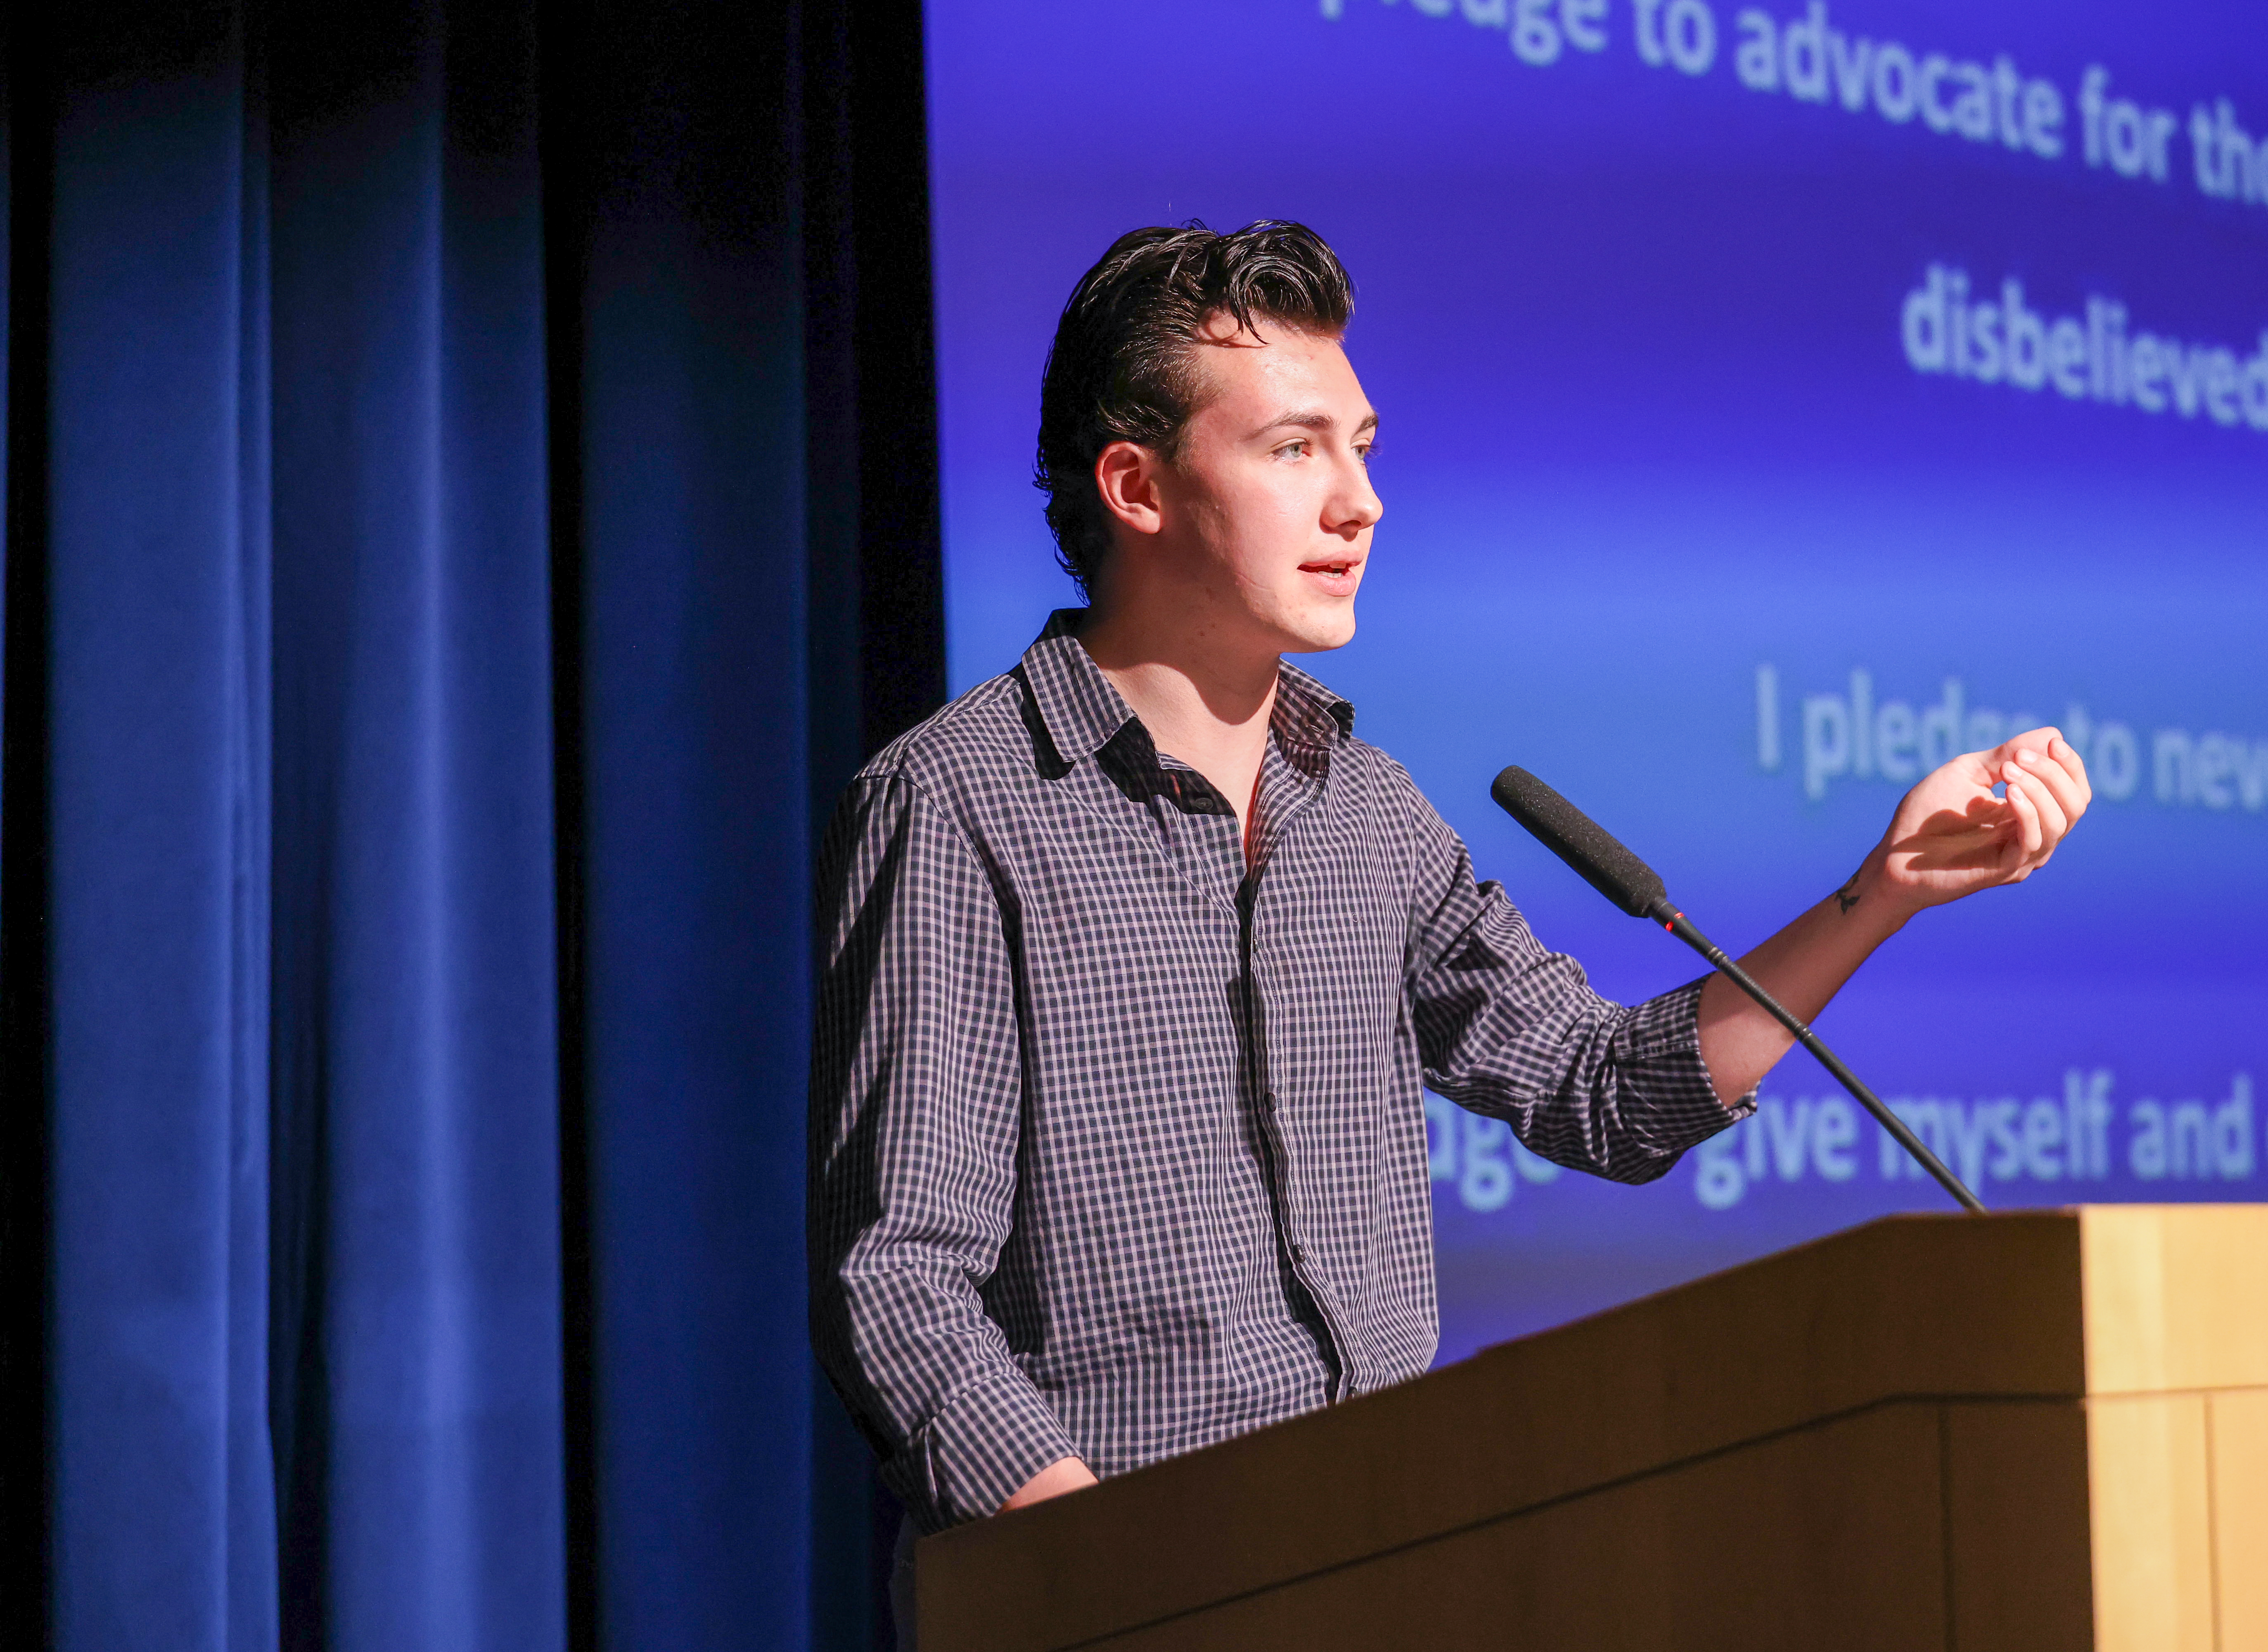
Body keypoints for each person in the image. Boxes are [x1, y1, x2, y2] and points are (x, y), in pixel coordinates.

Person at [807, 220, 2088, 1616]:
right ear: (1138, 485)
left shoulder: (1365, 812)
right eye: (1296, 449)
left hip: (1383, 1577)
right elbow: (900, 1288)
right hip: (1100, 1605)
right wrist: (1116, 1573)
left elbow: (1605, 1091)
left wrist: (1880, 892)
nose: (1359, 500)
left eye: (1363, 446)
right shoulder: (961, 804)